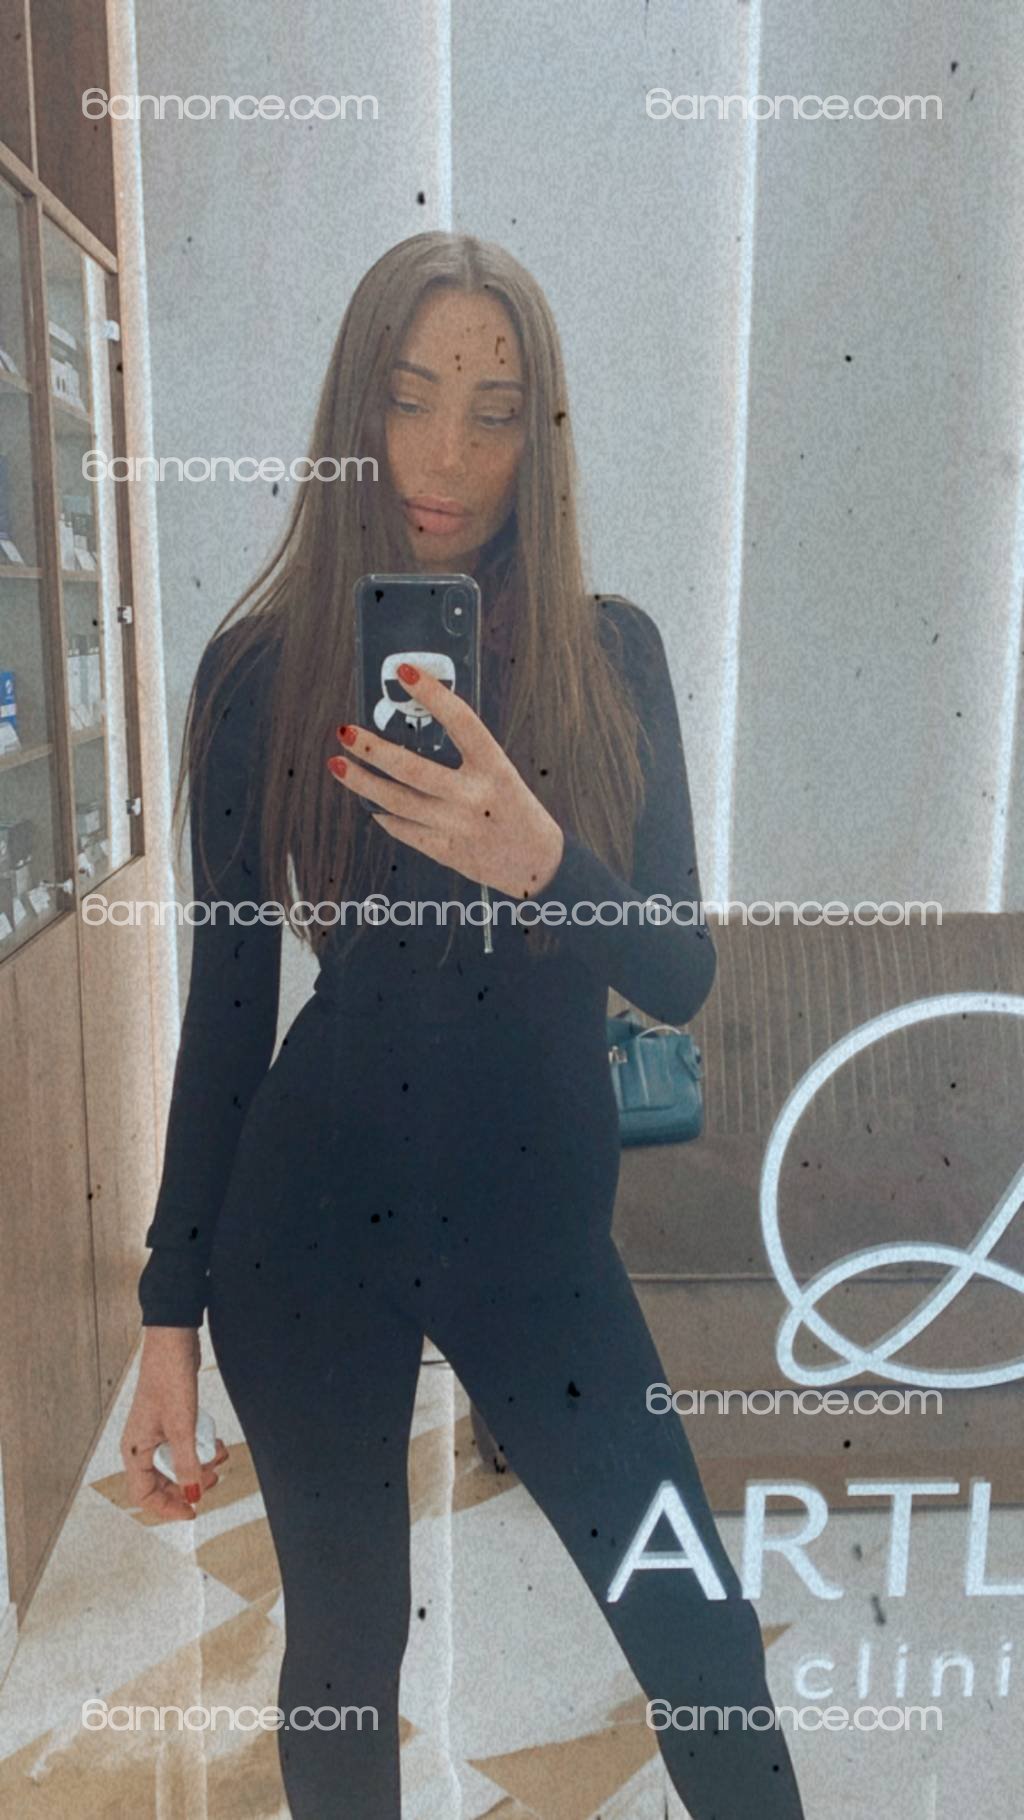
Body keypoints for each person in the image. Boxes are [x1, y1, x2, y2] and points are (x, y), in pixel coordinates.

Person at [121, 231, 805, 1819]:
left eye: (494, 414)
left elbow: (682, 973)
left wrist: (545, 861)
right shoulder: (259, 673)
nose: (444, 456)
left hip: (538, 1241)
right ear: (356, 408)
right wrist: (167, 1317)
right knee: (345, 1652)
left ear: (537, 439)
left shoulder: (612, 657)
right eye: (410, 397)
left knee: (701, 1636)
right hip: (307, 1234)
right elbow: (229, 1014)